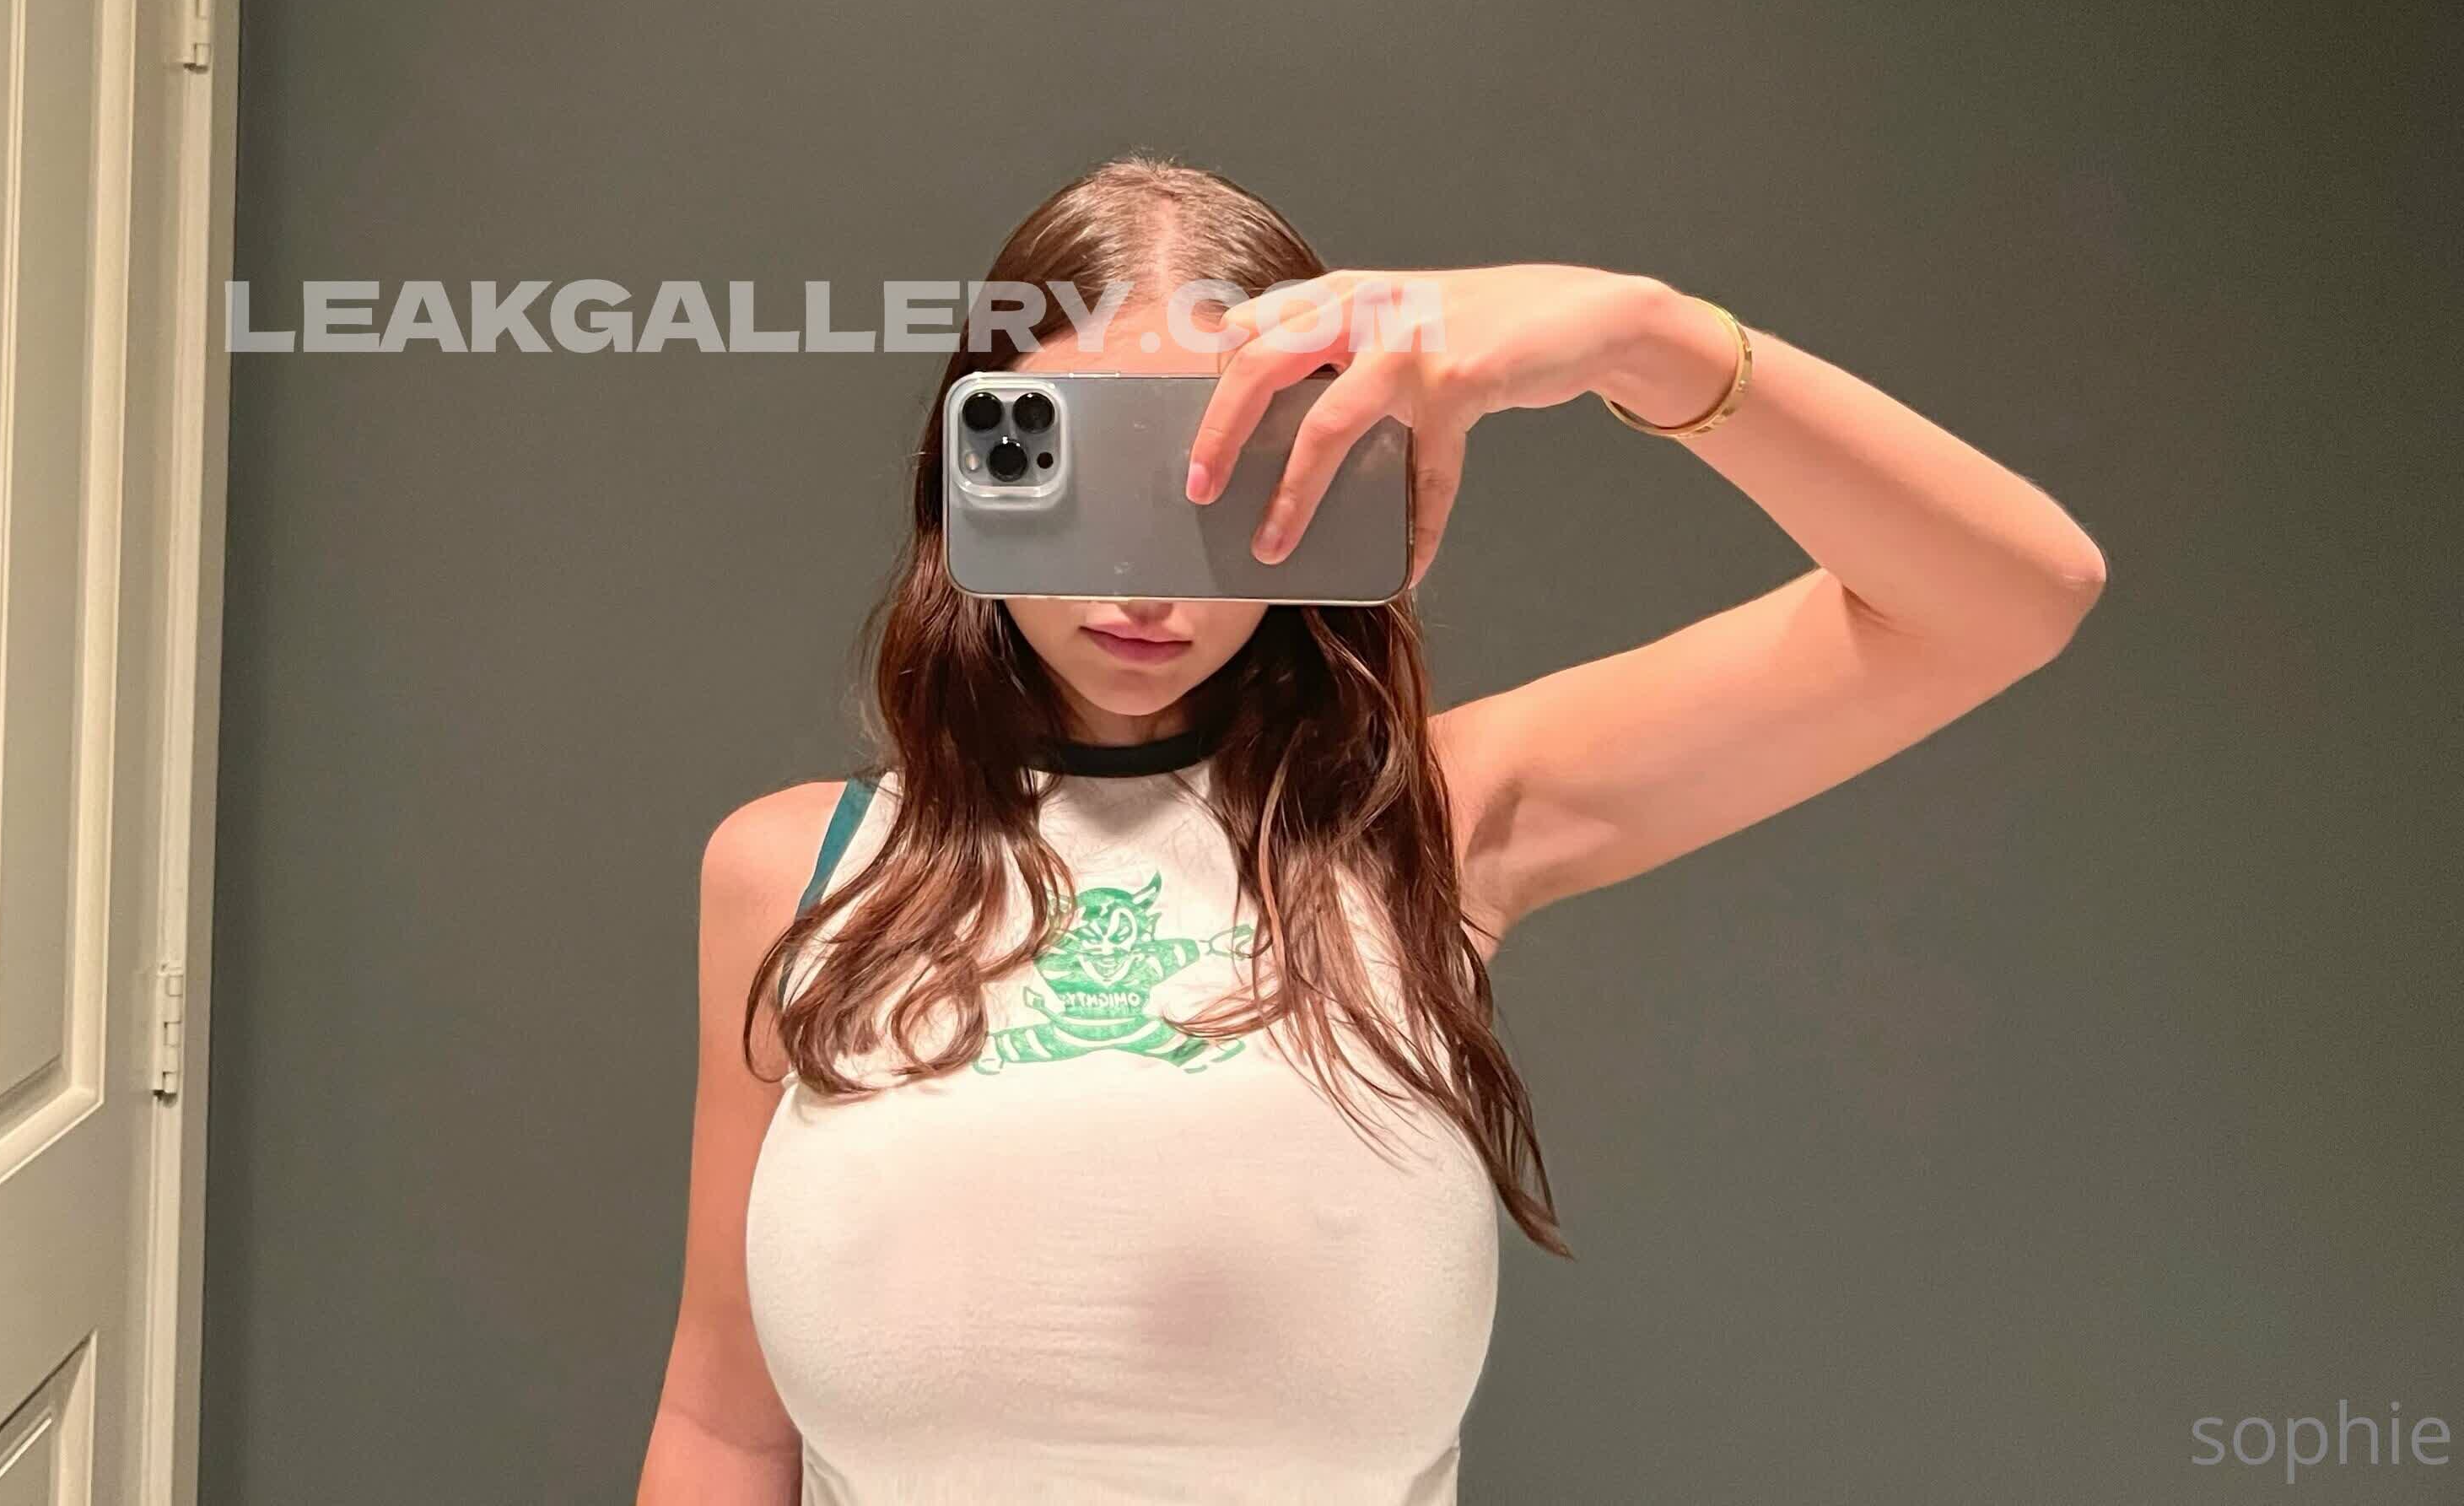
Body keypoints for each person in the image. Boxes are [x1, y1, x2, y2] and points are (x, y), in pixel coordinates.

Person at [635, 156, 2107, 1504]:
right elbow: (725, 1427)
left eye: (1222, 485)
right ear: (975, 471)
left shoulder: (1429, 828)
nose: (1146, 588)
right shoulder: (795, 877)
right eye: (1089, 476)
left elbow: (2010, 599)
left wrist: (1639, 336)